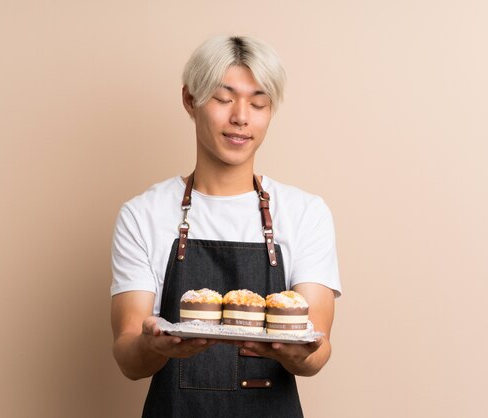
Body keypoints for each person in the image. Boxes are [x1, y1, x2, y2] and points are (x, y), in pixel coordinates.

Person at [111, 35, 341, 418]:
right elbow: (128, 357)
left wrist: (299, 354)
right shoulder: (143, 214)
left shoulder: (305, 213)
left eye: (259, 102)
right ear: (190, 100)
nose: (241, 116)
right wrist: (154, 346)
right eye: (223, 99)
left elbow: (318, 352)